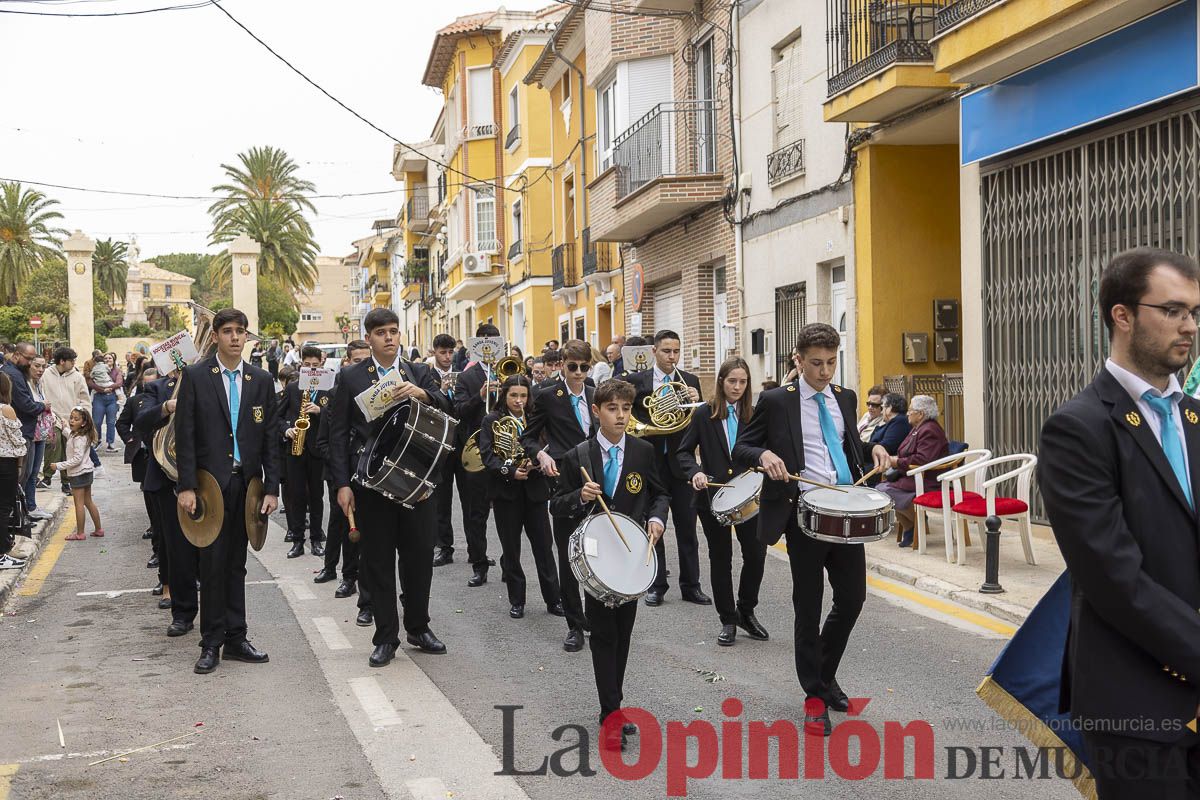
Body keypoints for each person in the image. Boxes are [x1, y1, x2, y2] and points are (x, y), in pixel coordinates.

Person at [1040, 248, 1200, 799]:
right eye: (1174, 311)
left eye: (1195, 313)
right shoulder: (1078, 428)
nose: (1190, 327)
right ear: (1123, 315)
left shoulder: (1197, 419)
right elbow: (1114, 577)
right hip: (1137, 703)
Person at [732, 323, 867, 737]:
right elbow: (741, 448)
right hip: (803, 514)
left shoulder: (846, 397)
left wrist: (874, 451)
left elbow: (847, 450)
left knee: (853, 598)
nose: (825, 372)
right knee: (808, 608)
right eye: (816, 364)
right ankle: (814, 696)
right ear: (798, 360)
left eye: (831, 362)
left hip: (844, 511)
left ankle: (824, 676)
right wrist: (766, 454)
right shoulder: (776, 401)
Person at [327, 308, 452, 667]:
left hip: (417, 481)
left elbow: (448, 408)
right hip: (372, 483)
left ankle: (418, 626)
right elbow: (337, 436)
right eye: (381, 332)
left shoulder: (419, 371)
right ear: (369, 338)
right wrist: (341, 484)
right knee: (378, 561)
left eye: (394, 331)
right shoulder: (351, 377)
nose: (389, 338)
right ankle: (385, 637)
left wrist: (423, 394)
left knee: (418, 559)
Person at [549, 378, 668, 752]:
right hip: (599, 557)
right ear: (597, 411)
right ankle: (612, 712)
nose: (620, 416)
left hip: (631, 553)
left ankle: (612, 703)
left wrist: (657, 519)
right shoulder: (578, 456)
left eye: (626, 409)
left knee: (624, 632)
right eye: (613, 409)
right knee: (603, 634)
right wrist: (579, 496)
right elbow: (556, 503)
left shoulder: (643, 451)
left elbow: (659, 493)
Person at [175, 308, 280, 675]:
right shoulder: (197, 376)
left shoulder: (261, 380)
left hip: (247, 486)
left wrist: (271, 487)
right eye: (228, 331)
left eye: (241, 331)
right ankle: (211, 642)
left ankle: (237, 638)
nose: (235, 337)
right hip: (209, 487)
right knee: (213, 565)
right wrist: (186, 486)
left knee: (237, 564)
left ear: (247, 337)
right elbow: (184, 435)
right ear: (216, 336)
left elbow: (270, 438)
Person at [676, 357, 768, 647]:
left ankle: (746, 609)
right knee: (721, 559)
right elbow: (684, 453)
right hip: (711, 497)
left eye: (742, 382)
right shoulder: (705, 414)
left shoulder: (755, 414)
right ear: (721, 382)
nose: (737, 387)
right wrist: (696, 473)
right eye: (732, 381)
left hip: (749, 497)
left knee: (756, 554)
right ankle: (727, 619)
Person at [522, 339, 598, 652]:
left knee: (596, 551)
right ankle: (574, 624)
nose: (579, 373)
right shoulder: (546, 395)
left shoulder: (596, 393)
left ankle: (594, 617)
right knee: (569, 555)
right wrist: (541, 455)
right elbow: (527, 436)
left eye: (584, 367)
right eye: (573, 367)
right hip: (564, 480)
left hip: (597, 478)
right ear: (561, 365)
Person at [627, 329, 709, 607]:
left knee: (688, 530)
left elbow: (698, 422)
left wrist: (695, 401)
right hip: (651, 464)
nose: (671, 357)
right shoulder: (637, 381)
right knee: (654, 525)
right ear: (655, 352)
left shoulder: (690, 381)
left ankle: (691, 586)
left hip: (681, 465)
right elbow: (630, 417)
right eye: (666, 351)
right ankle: (657, 585)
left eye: (676, 351)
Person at [478, 374, 563, 619]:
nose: (519, 401)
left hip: (535, 490)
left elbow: (549, 445)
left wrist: (540, 463)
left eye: (523, 396)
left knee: (544, 548)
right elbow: (487, 457)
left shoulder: (535, 418)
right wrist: (511, 471)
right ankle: (517, 600)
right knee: (511, 549)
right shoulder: (491, 420)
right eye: (514, 395)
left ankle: (554, 599)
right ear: (504, 395)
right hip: (507, 492)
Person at [137, 364, 201, 633]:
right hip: (167, 478)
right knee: (176, 548)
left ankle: (218, 615)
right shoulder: (156, 388)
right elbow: (141, 420)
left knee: (212, 550)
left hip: (205, 474)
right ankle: (183, 613)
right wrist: (166, 407)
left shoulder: (208, 382)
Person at [313, 340, 373, 628]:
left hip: (371, 474)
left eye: (366, 360)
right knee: (344, 526)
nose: (362, 365)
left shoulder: (380, 394)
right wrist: (342, 465)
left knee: (372, 536)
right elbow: (325, 441)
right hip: (343, 474)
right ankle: (346, 576)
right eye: (356, 360)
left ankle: (370, 592)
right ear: (347, 363)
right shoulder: (334, 397)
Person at [452, 323, 502, 587]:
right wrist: (479, 396)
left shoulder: (508, 370)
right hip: (477, 451)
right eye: (483, 340)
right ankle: (479, 563)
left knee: (509, 513)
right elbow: (458, 410)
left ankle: (510, 563)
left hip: (505, 450)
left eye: (492, 339)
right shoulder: (466, 378)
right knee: (476, 513)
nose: (487, 344)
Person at [117, 365, 169, 601]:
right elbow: (127, 424)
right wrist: (130, 439)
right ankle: (162, 567)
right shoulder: (140, 401)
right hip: (150, 461)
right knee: (158, 520)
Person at [871, 395, 948, 548]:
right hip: (912, 476)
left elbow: (922, 460)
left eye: (911, 410)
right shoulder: (918, 428)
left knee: (886, 492)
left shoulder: (930, 430)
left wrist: (896, 461)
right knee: (880, 490)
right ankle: (910, 527)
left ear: (921, 414)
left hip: (926, 479)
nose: (907, 413)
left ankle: (914, 526)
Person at [278, 345, 328, 559]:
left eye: (315, 365)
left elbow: (339, 416)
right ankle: (297, 540)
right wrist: (286, 429)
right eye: (307, 365)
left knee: (317, 496)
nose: (311, 369)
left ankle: (316, 538)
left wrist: (321, 411)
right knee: (296, 495)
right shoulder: (293, 388)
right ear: (301, 365)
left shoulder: (328, 389)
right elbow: (277, 416)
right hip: (295, 448)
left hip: (317, 449)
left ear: (322, 365)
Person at [429, 333, 464, 566]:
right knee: (442, 500)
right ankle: (444, 546)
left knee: (472, 500)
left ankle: (477, 549)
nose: (447, 357)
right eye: (443, 352)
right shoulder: (426, 376)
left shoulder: (463, 375)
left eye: (451, 352)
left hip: (461, 443)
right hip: (439, 443)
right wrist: (441, 390)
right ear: (434, 352)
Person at [3, 343, 50, 501]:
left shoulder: (16, 372)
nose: (30, 363)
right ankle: (17, 516)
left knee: (27, 475)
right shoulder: (13, 375)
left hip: (25, 431)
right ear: (16, 355)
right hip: (22, 432)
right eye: (28, 359)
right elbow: (26, 405)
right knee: (22, 478)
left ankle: (22, 511)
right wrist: (42, 406)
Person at [41, 347, 90, 496]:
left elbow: (85, 398)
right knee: (53, 446)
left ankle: (66, 482)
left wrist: (85, 418)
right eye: (72, 360)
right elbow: (41, 392)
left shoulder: (77, 377)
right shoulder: (46, 374)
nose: (74, 363)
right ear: (62, 361)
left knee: (69, 449)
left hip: (72, 419)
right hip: (52, 417)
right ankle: (47, 476)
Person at [53, 405, 103, 541]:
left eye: (76, 419)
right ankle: (99, 529)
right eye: (71, 418)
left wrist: (58, 466)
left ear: (84, 422)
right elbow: (69, 434)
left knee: (79, 504)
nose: (72, 421)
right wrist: (64, 427)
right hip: (87, 472)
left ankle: (80, 533)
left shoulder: (78, 438)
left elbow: (77, 459)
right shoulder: (80, 434)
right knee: (88, 501)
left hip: (78, 473)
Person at [0, 373, 27, 571]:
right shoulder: (6, 410)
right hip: (5, 464)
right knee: (4, 508)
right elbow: (18, 442)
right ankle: (2, 553)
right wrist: (19, 466)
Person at [23, 353, 53, 520]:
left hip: (40, 432)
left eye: (43, 366)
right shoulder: (24, 383)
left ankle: (32, 505)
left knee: (34, 472)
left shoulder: (39, 383)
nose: (41, 370)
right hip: (29, 433)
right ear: (29, 365)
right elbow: (30, 406)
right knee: (27, 473)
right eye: (37, 366)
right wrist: (42, 405)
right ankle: (27, 507)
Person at [863, 393, 912, 461]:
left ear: (889, 408)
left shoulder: (900, 421)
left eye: (883, 408)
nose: (882, 411)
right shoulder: (893, 422)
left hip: (883, 465)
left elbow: (886, 447)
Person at [87, 353, 119, 452]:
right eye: (105, 358)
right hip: (99, 397)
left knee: (111, 422)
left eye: (110, 358)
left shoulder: (117, 371)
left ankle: (111, 443)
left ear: (113, 360)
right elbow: (90, 382)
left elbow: (119, 383)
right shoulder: (96, 368)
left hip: (112, 398)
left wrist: (109, 388)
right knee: (96, 421)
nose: (107, 359)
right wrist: (103, 390)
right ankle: (97, 441)